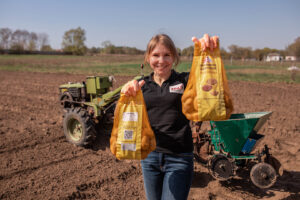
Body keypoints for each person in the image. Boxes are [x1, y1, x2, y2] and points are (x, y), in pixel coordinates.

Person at [121, 33, 219, 200]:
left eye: (167, 55)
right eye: (156, 55)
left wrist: (209, 54)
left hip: (179, 158)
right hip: (149, 158)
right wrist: (126, 94)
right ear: (147, 57)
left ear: (174, 57)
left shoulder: (185, 81)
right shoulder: (142, 86)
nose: (161, 60)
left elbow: (209, 80)